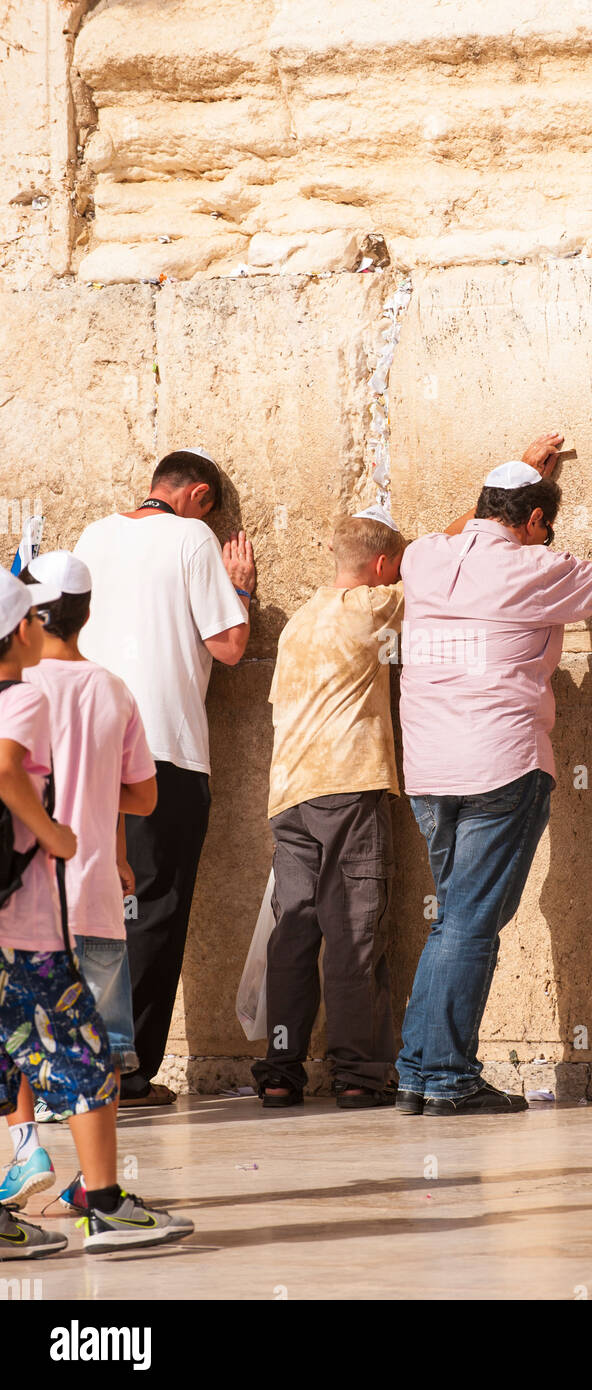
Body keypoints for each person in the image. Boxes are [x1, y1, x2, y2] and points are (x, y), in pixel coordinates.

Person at [395, 445, 592, 1115]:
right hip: (500, 763)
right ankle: (447, 1078)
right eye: (543, 520)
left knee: (452, 921)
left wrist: (520, 476)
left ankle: (418, 1072)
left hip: (428, 769)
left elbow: (468, 526)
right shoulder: (535, 568)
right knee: (467, 926)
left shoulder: (423, 557)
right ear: (537, 520)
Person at [0, 569, 193, 1257]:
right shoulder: (106, 690)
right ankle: (101, 1195)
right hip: (80, 899)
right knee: (94, 1050)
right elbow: (143, 796)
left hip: (29, 907)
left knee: (14, 1045)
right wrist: (79, 817)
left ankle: (25, 1156)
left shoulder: (22, 689)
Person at [73, 449, 255, 1107]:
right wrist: (239, 588)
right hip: (163, 749)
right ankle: (126, 1071)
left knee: (96, 908)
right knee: (154, 908)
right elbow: (229, 647)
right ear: (198, 496)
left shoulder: (94, 535)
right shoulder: (191, 538)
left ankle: (82, 1062)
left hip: (90, 748)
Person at [252, 508, 407, 1109]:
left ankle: (279, 1070)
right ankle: (357, 1073)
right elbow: (448, 556)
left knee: (295, 931)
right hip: (346, 787)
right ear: (379, 566)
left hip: (289, 795)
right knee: (353, 931)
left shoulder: (300, 620)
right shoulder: (372, 607)